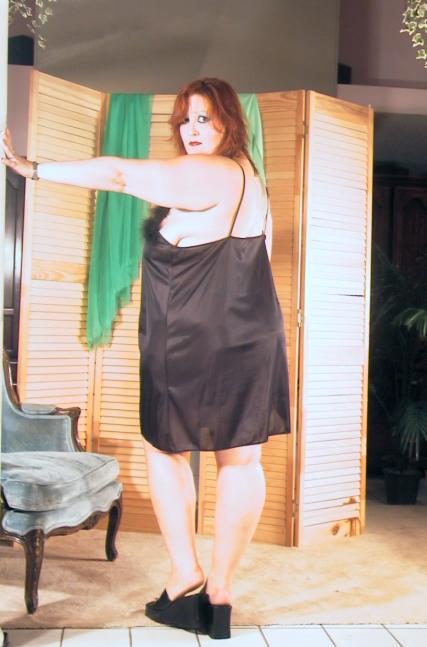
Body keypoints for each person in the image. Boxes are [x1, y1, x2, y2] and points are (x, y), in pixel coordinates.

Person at [2, 77, 290, 639]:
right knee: (241, 459)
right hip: (254, 331)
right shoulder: (253, 181)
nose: (192, 130)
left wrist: (32, 168)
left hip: (188, 335)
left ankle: (185, 576)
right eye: (185, 119)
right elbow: (259, 256)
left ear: (230, 122)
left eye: (205, 118)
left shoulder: (202, 172)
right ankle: (220, 595)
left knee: (166, 449)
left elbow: (117, 174)